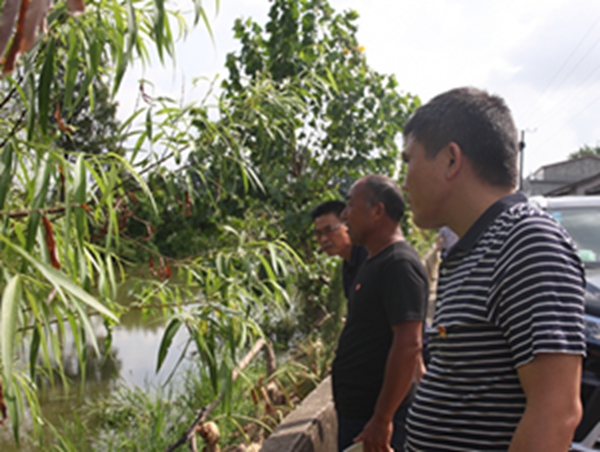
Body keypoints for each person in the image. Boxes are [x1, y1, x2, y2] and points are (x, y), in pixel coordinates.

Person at [401, 87, 586, 451]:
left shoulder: (527, 241)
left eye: (408, 161)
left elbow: (556, 412)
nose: (405, 181)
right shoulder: (469, 251)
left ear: (451, 160)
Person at [332, 175, 428, 452]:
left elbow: (408, 344)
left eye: (351, 205)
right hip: (360, 414)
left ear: (377, 211)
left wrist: (382, 418)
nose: (344, 215)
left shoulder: (398, 264)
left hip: (376, 419)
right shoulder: (376, 260)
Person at [311, 200, 368, 300]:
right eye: (319, 234)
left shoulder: (370, 259)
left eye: (329, 230)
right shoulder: (348, 264)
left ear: (348, 225)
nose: (323, 239)